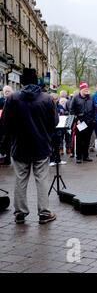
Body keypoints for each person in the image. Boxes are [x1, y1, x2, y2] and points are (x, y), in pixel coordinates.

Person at [1, 68, 58, 225]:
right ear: (37, 80)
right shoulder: (46, 99)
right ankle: (44, 212)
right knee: (41, 179)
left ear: (22, 81)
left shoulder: (12, 98)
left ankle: (20, 212)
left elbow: (5, 123)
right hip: (40, 145)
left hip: (20, 146)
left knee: (20, 179)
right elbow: (54, 122)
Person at [69, 82, 95, 164]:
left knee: (87, 140)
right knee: (80, 140)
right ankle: (79, 157)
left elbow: (94, 109)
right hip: (80, 122)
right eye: (85, 89)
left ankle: (86, 156)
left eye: (87, 89)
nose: (87, 90)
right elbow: (71, 110)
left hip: (89, 122)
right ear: (81, 89)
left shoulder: (90, 98)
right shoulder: (75, 98)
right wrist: (77, 119)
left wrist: (93, 119)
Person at [0, 85, 14, 165]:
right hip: (2, 124)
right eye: (5, 91)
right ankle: (3, 157)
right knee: (3, 141)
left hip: (11, 124)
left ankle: (7, 159)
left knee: (8, 142)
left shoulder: (15, 100)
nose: (7, 93)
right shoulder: (1, 100)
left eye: (8, 91)